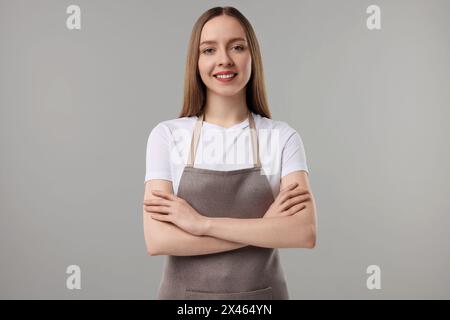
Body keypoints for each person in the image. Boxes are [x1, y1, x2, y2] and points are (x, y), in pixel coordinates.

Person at [142, 6, 317, 300]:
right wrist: (264, 228)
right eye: (209, 50)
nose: (224, 59)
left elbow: (303, 233)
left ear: (253, 56)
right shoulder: (167, 136)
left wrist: (201, 224)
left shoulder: (282, 138)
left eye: (237, 47)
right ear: (195, 62)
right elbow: (158, 240)